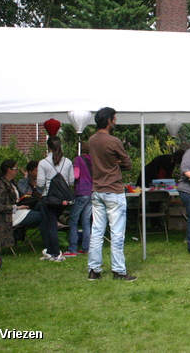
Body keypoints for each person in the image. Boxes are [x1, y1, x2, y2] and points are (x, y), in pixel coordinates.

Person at [87, 107, 136, 281]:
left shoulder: (91, 140)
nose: (116, 121)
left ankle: (94, 270)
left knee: (97, 232)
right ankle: (119, 271)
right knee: (117, 234)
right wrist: (117, 164)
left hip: (97, 190)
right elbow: (128, 163)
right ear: (109, 121)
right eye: (114, 118)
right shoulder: (114, 141)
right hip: (113, 191)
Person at [0, 159, 46, 250]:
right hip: (8, 215)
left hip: (18, 210)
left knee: (42, 205)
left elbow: (19, 198)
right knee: (44, 215)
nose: (17, 170)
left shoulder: (12, 183)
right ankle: (48, 243)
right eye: (15, 168)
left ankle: (49, 241)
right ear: (9, 170)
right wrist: (17, 207)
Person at [37, 136, 74, 262]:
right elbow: (71, 181)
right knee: (53, 223)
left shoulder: (43, 163)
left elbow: (40, 183)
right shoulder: (68, 162)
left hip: (49, 197)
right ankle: (50, 251)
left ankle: (55, 253)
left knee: (51, 226)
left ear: (48, 147)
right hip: (63, 198)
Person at [64, 142, 92, 257]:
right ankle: (86, 248)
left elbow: (76, 175)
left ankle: (72, 249)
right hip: (91, 192)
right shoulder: (93, 160)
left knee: (73, 220)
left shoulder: (78, 160)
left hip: (81, 192)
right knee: (86, 221)